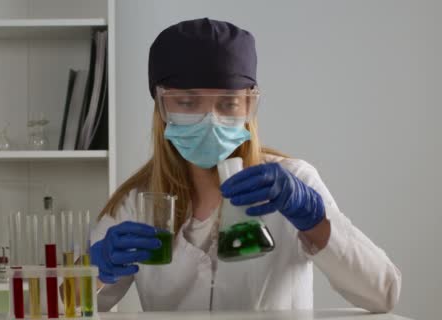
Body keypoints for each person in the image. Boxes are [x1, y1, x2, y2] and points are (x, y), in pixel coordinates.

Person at [89, 18, 401, 312]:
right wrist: (97, 273)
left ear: (249, 104)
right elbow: (61, 307)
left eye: (227, 103)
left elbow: (383, 293)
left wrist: (316, 222)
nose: (210, 120)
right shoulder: (137, 202)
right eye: (187, 102)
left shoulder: (293, 182)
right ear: (161, 106)